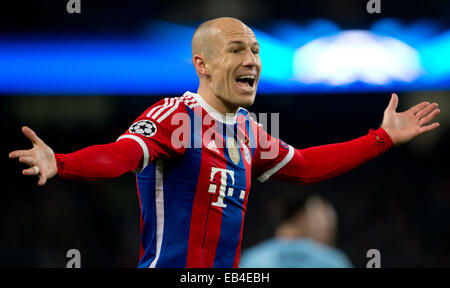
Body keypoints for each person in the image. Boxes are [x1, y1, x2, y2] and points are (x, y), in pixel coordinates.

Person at [8, 17, 440, 268]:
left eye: (255, 50)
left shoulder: (248, 130)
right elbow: (121, 156)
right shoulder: (175, 117)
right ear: (204, 65)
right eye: (237, 50)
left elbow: (306, 166)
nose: (252, 59)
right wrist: (60, 162)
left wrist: (382, 138)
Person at [239, 195, 353, 268]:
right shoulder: (331, 260)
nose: (330, 229)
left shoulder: (254, 259)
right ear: (302, 219)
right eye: (322, 220)